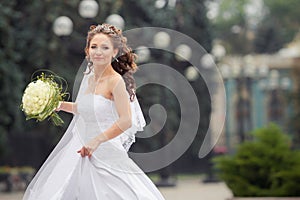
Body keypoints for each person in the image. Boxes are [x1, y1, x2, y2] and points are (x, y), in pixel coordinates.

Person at [23, 23, 165, 200]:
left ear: (114, 52)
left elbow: (126, 120)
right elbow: (84, 108)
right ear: (87, 51)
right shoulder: (89, 78)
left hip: (104, 148)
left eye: (105, 47)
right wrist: (57, 104)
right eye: (94, 47)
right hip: (79, 145)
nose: (98, 51)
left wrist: (97, 141)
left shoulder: (116, 82)